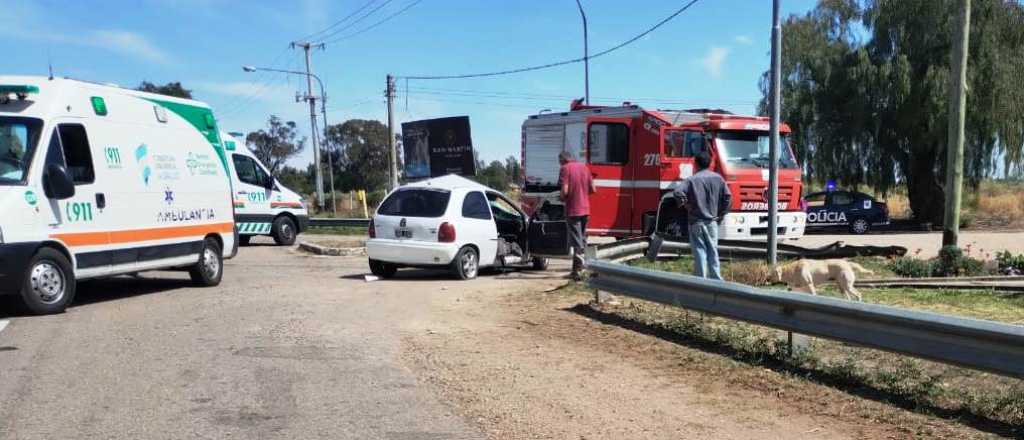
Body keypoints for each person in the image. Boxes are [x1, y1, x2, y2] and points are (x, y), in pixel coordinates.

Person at [673, 151, 732, 280]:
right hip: (712, 222)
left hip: (696, 222)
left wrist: (685, 204)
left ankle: (701, 280)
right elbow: (728, 197)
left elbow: (677, 192)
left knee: (700, 250)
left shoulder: (691, 180)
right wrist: (721, 214)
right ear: (710, 163)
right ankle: (716, 280)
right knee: (713, 251)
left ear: (696, 164)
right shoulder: (718, 179)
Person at [558, 150, 595, 281]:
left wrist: (562, 198)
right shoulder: (584, 168)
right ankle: (578, 270)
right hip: (586, 210)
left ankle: (579, 272)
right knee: (583, 240)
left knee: (576, 241)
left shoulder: (565, 168)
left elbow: (565, 190)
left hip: (573, 210)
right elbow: (593, 189)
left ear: (562, 160)